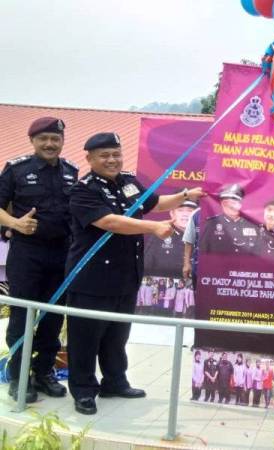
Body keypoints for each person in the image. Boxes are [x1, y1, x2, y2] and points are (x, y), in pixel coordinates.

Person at [65, 132, 205, 415]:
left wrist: (187, 195)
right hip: (92, 278)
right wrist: (152, 228)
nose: (112, 160)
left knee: (117, 335)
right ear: (89, 158)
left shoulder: (128, 182)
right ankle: (83, 391)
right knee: (86, 338)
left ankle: (115, 381)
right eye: (104, 155)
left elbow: (153, 203)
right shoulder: (83, 190)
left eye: (116, 154)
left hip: (126, 275)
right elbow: (110, 222)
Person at [0, 117, 77, 403]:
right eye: (43, 138)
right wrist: (15, 224)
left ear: (61, 141)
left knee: (54, 315)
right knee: (23, 315)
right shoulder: (16, 169)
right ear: (33, 141)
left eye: (55, 139)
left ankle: (44, 373)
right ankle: (20, 378)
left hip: (61, 254)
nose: (49, 144)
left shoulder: (71, 171)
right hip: (27, 254)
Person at [144, 198, 198, 278]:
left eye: (190, 211)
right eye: (180, 210)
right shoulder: (160, 235)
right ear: (172, 214)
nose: (185, 214)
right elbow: (145, 267)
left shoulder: (204, 236)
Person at [198, 184, 258, 254]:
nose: (229, 205)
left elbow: (259, 252)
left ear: (241, 204)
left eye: (234, 202)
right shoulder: (212, 224)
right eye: (225, 203)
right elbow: (203, 252)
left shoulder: (251, 225)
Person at [182, 207, 201, 286]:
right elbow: (189, 241)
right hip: (199, 267)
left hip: (225, 267)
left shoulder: (233, 211)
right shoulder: (196, 214)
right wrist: (186, 263)